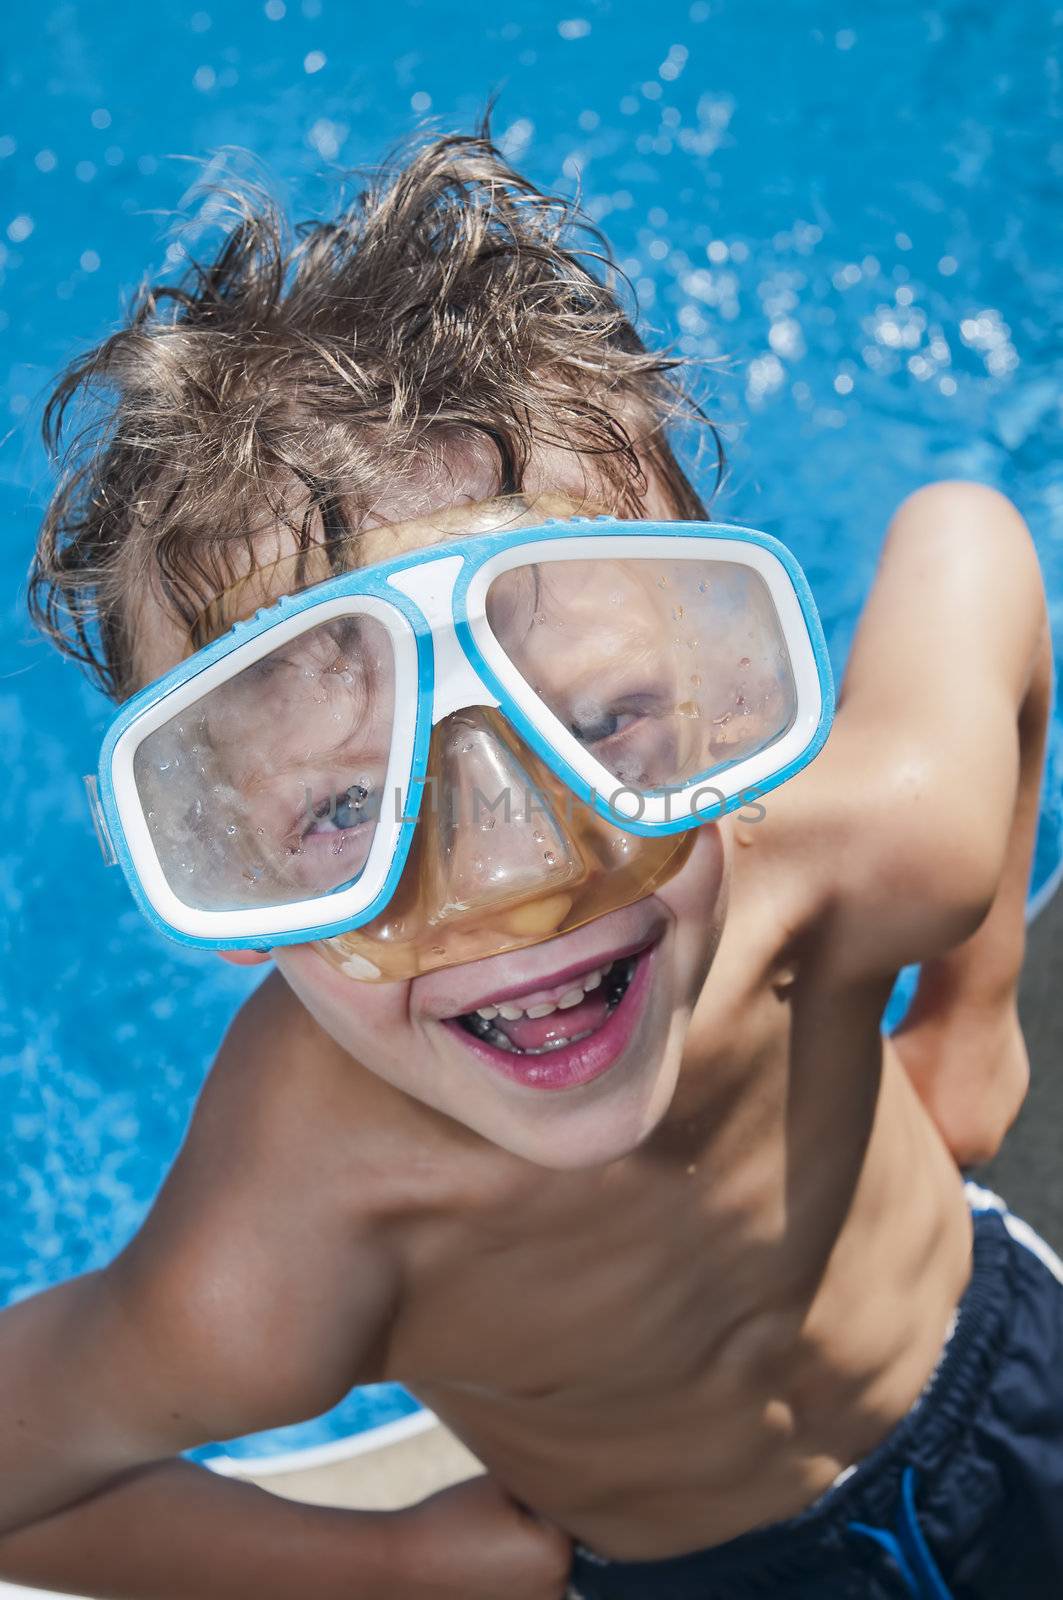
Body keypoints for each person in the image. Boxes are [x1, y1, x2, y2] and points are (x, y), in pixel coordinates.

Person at [0, 130, 1058, 1599]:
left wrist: (971, 1012)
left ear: (722, 681)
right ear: (222, 861)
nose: (515, 870)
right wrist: (386, 1569)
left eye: (603, 719)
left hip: (998, 1368)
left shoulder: (859, 860)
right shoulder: (295, 1231)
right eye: (343, 811)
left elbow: (975, 541)